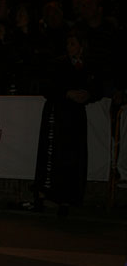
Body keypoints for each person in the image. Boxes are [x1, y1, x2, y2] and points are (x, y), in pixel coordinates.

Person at [27, 28, 102, 215]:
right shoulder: (58, 64)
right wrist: (67, 93)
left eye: (73, 44)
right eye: (68, 44)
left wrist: (88, 94)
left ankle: (68, 196)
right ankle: (46, 194)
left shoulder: (88, 65)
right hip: (58, 113)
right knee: (54, 154)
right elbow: (47, 87)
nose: (69, 48)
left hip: (75, 115)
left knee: (73, 155)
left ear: (81, 46)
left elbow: (97, 86)